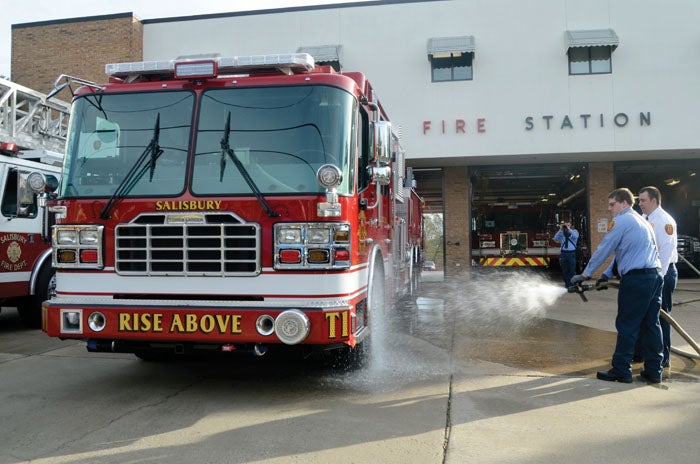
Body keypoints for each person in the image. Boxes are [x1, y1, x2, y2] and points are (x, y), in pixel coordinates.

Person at [571, 188, 663, 384]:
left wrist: (585, 274)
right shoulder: (641, 221)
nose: (609, 208)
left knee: (627, 324)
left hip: (636, 280)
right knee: (651, 325)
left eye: (612, 204)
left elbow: (605, 248)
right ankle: (655, 371)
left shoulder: (622, 221)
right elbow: (624, 252)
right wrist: (605, 275)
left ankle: (621, 370)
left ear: (624, 203)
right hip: (654, 277)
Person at [634, 186, 678, 368]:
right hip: (649, 274)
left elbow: (666, 253)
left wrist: (658, 278)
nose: (640, 204)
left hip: (663, 274)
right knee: (646, 316)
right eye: (639, 200)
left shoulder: (664, 221)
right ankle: (644, 353)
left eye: (643, 200)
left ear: (654, 200)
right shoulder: (645, 219)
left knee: (661, 317)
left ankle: (663, 357)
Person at [554, 221, 579, 288]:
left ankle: (573, 284)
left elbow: (576, 236)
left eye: (568, 224)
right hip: (564, 253)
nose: (567, 226)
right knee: (565, 270)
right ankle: (567, 284)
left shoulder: (574, 231)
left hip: (571, 253)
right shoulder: (562, 233)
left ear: (571, 225)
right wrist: (560, 229)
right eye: (566, 225)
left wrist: (569, 229)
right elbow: (555, 238)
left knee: (572, 270)